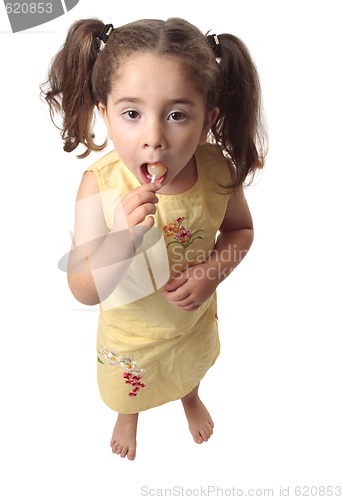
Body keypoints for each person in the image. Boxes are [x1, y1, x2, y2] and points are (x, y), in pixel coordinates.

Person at [41, 17, 267, 461]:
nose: (154, 139)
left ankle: (189, 397)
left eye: (177, 115)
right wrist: (121, 239)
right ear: (104, 114)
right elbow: (84, 290)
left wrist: (210, 273)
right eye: (132, 113)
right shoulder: (99, 186)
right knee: (129, 387)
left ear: (207, 123)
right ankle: (130, 415)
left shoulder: (218, 171)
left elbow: (241, 230)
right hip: (132, 334)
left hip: (190, 320)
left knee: (191, 364)